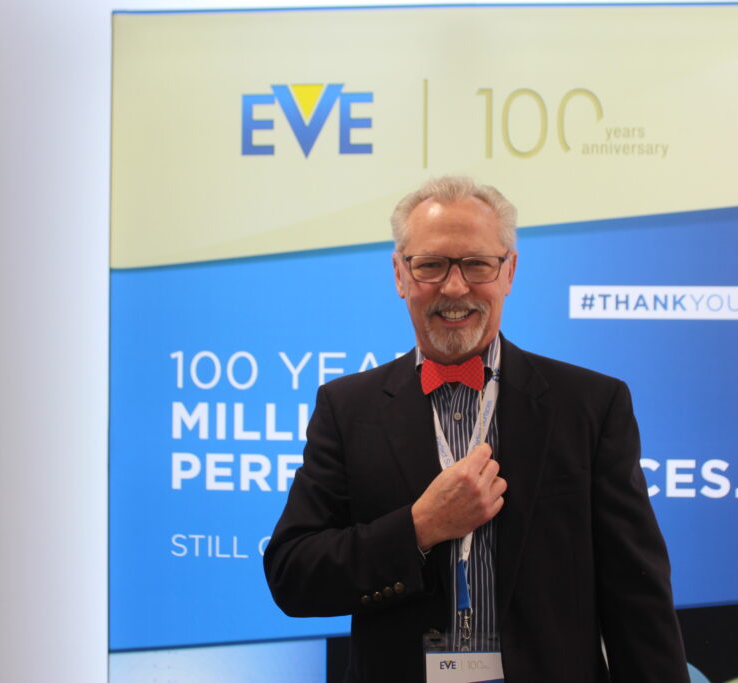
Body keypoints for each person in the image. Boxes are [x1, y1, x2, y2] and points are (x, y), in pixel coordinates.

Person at [264, 176, 689, 682]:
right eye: (430, 265)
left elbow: (638, 599)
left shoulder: (591, 406)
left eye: (477, 264)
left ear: (509, 271)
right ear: (399, 274)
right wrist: (419, 528)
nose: (454, 287)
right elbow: (293, 574)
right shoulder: (346, 408)